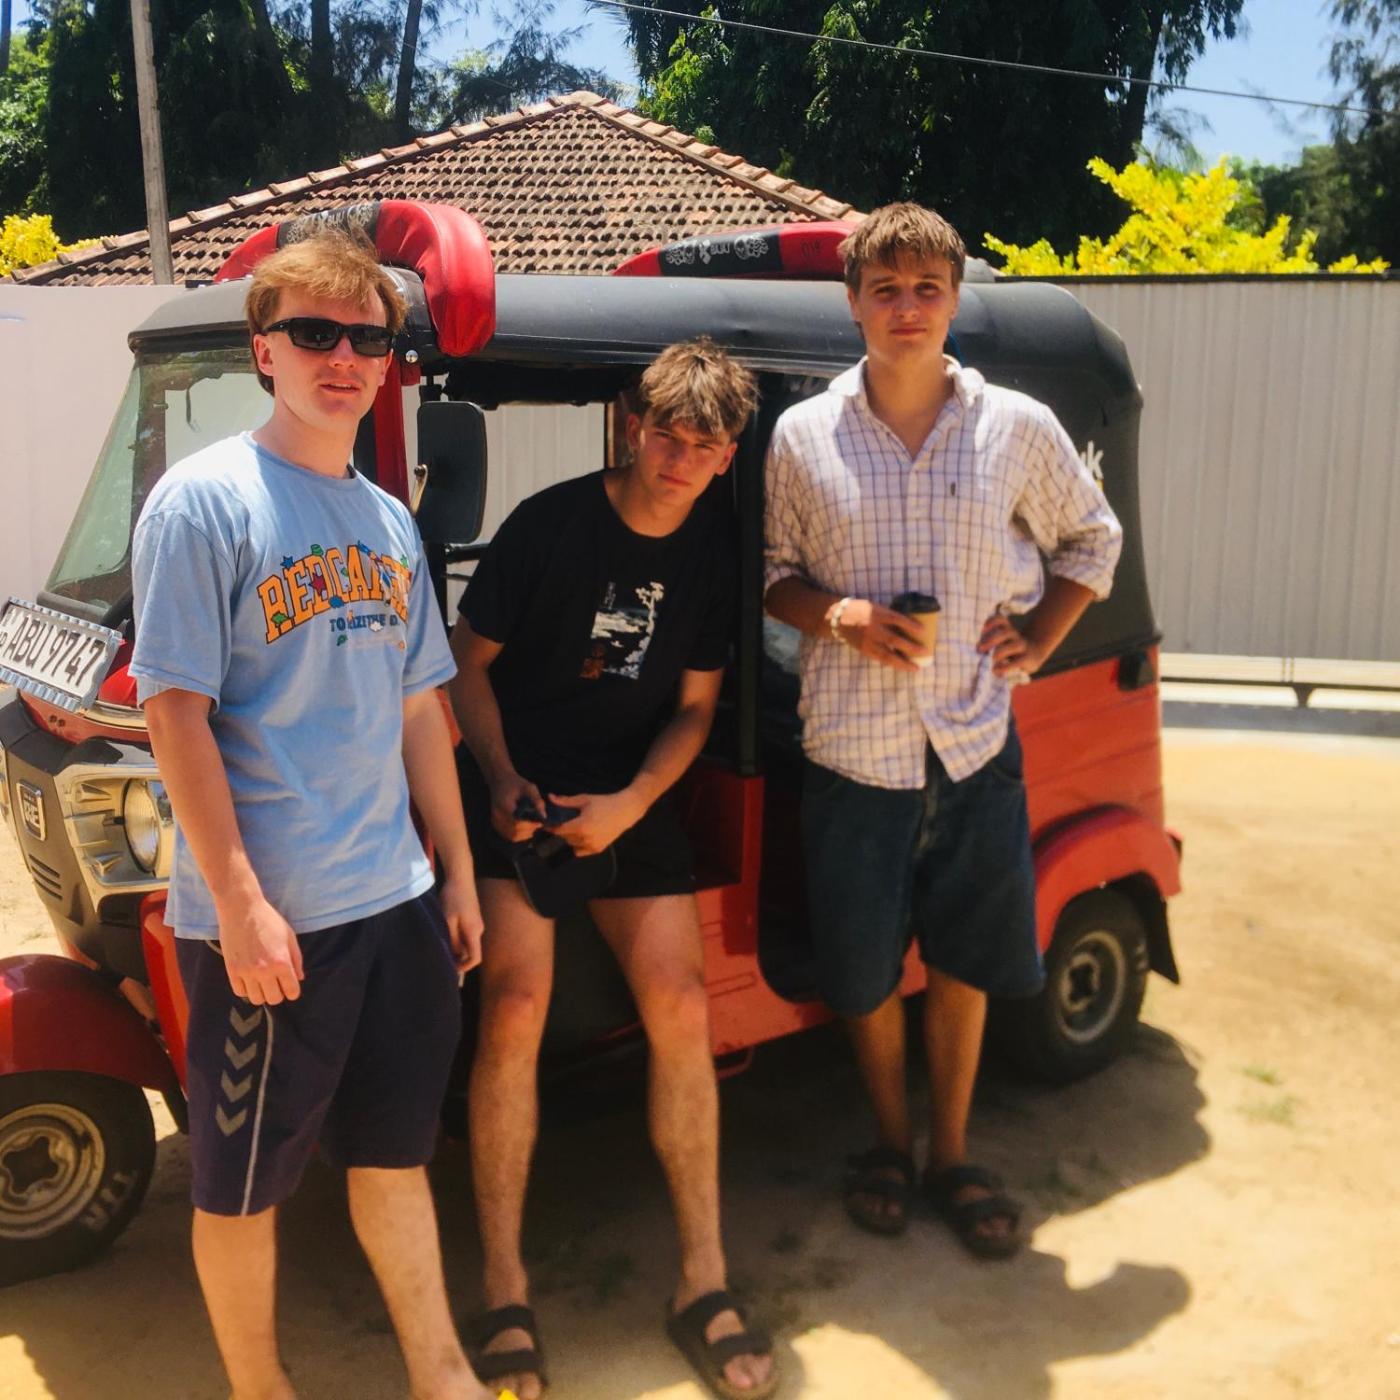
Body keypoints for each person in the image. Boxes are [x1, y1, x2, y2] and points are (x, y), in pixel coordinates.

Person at [130, 231, 495, 1400]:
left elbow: (419, 707)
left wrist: (457, 873)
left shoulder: (387, 522)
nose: (343, 358)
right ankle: (261, 1388)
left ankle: (441, 1372)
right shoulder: (204, 503)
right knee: (242, 1185)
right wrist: (239, 903)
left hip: (393, 906)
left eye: (366, 339)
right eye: (314, 333)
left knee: (394, 1154)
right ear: (264, 350)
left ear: (389, 362)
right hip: (273, 925)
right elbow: (173, 714)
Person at [763, 202, 1123, 1258]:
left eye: (927, 288)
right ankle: (888, 1139)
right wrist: (838, 615)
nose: (907, 307)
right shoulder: (801, 436)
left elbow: (1091, 538)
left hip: (973, 742)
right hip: (851, 749)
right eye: (886, 289)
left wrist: (1042, 635)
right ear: (853, 303)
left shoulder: (1015, 425)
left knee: (963, 958)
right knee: (863, 971)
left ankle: (952, 1152)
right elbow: (771, 574)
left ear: (955, 299)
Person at [448, 339, 777, 1400]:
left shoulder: (715, 549)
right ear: (635, 427)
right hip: (522, 790)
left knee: (682, 1004)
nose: (680, 460)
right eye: (667, 435)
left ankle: (702, 1280)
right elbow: (464, 664)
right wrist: (501, 777)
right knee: (513, 1007)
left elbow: (694, 707)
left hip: (632, 795)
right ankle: (503, 1289)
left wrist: (633, 803)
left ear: (729, 455)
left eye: (704, 445)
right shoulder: (548, 525)